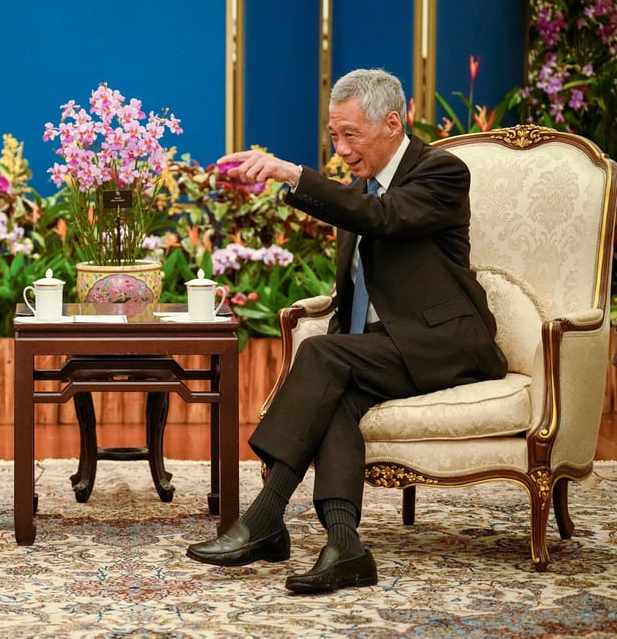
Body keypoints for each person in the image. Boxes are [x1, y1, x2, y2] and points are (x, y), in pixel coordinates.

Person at [186, 68, 507, 593]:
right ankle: (345, 547)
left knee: (321, 356)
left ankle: (266, 518)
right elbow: (357, 282)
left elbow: (382, 218)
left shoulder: (441, 172)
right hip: (385, 350)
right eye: (333, 136)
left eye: (350, 135)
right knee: (337, 392)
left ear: (392, 123)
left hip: (445, 343)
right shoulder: (361, 189)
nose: (340, 149)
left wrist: (293, 174)